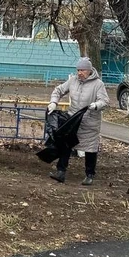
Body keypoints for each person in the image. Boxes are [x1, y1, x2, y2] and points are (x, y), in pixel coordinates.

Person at [47, 57, 110, 185]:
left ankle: (89, 174)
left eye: (82, 70)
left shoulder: (98, 84)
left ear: (89, 71)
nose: (79, 73)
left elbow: (105, 101)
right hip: (73, 120)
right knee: (66, 144)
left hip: (90, 122)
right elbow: (58, 90)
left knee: (90, 148)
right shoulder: (73, 81)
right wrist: (53, 102)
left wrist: (96, 105)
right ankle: (60, 172)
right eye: (78, 70)